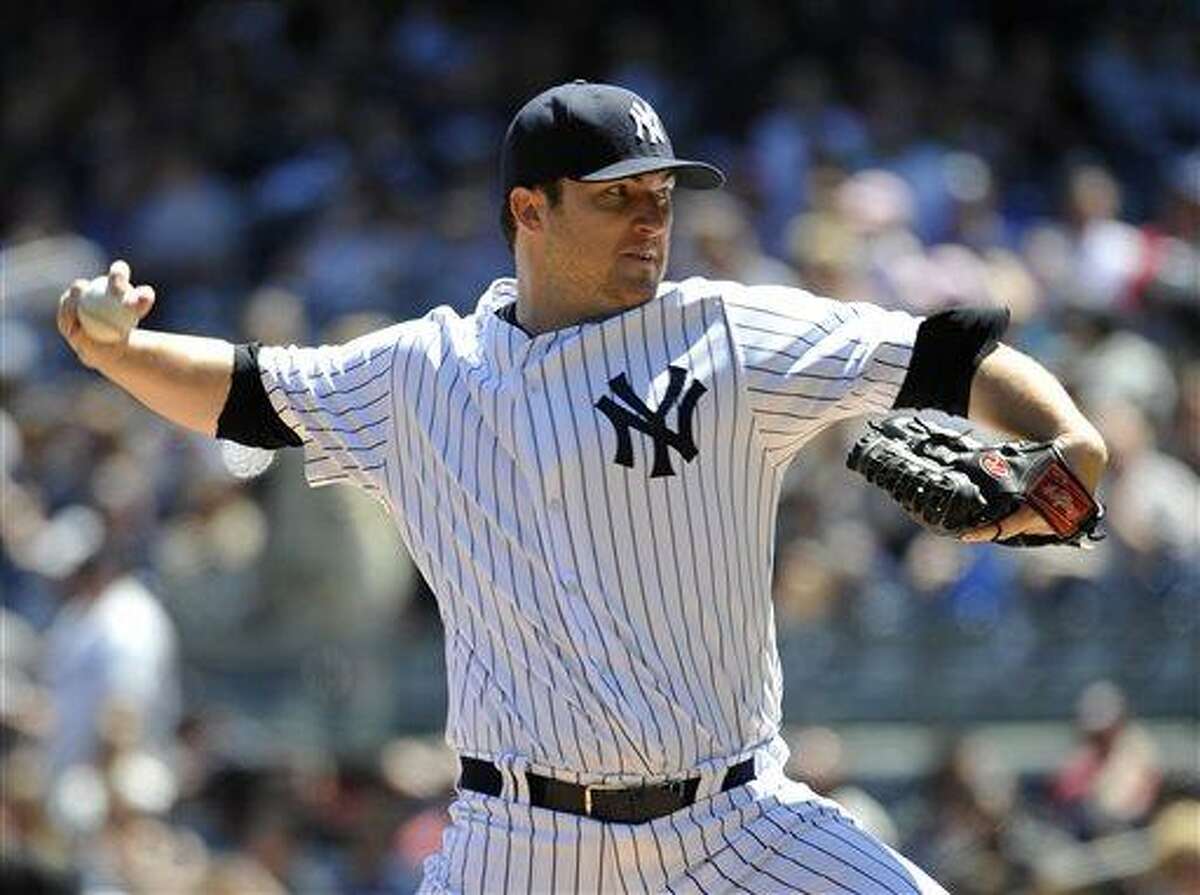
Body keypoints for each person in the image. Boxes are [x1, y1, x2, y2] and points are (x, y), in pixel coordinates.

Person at [58, 81, 1107, 893]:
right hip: (518, 841)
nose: (653, 221)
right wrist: (118, 353)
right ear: (531, 209)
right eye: (619, 201)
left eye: (661, 197)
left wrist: (1069, 439)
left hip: (736, 826)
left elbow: (950, 352)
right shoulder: (423, 374)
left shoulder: (727, 335)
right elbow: (245, 391)